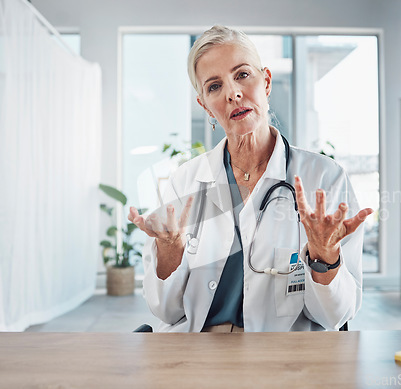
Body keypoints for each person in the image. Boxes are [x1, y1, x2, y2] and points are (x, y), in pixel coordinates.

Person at [128, 25, 373, 332]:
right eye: (214, 86)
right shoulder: (185, 182)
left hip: (279, 357)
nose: (233, 93)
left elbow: (335, 317)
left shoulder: (324, 179)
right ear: (204, 104)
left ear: (266, 81)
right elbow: (165, 310)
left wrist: (324, 256)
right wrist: (169, 251)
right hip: (198, 352)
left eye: (242, 75)